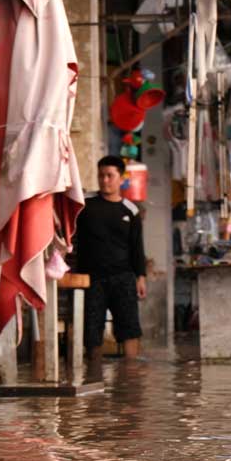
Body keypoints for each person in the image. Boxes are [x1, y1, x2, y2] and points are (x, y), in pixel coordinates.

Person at [75, 155, 147, 365]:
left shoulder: (131, 210)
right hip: (92, 277)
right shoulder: (85, 205)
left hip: (123, 276)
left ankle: (130, 375)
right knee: (92, 328)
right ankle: (93, 374)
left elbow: (137, 247)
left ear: (121, 178)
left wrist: (140, 277)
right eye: (101, 175)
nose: (105, 180)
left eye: (109, 175)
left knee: (129, 326)